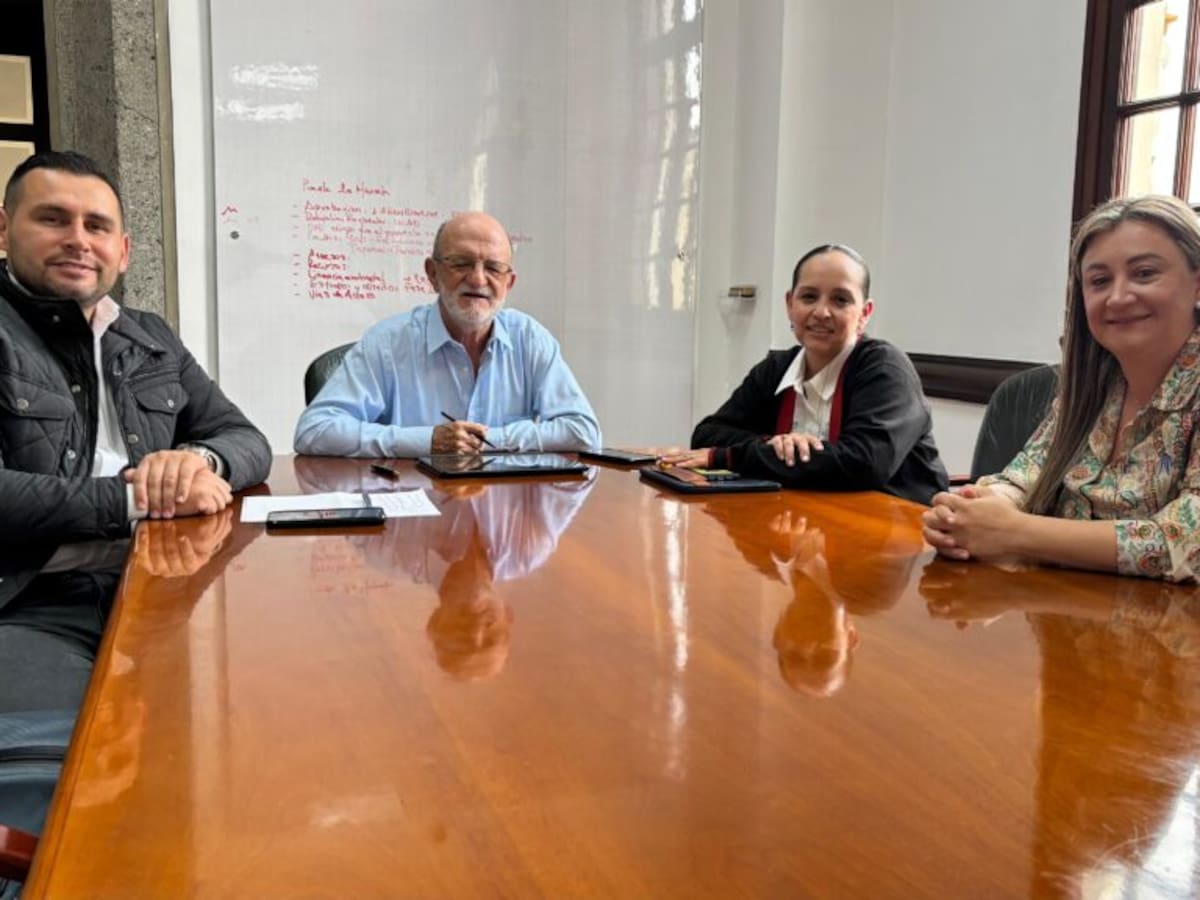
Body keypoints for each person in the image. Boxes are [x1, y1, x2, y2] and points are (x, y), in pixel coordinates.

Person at [0, 149, 271, 693]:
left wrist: (193, 461)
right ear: (4, 231)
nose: (78, 239)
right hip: (33, 601)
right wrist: (138, 499)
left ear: (122, 253)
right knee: (46, 771)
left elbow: (247, 440)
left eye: (97, 226)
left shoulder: (148, 337)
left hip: (162, 584)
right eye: (53, 219)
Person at [923, 194, 1200, 581]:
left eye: (1144, 273)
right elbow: (1022, 476)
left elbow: (1187, 541)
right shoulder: (1094, 387)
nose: (1118, 297)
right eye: (1099, 281)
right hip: (1062, 618)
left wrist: (1014, 532)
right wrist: (974, 509)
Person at [293, 211, 601, 457]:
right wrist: (427, 441)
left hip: (503, 514)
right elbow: (315, 431)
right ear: (432, 274)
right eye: (461, 263)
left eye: (494, 268)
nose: (478, 279)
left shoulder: (530, 339)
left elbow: (583, 431)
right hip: (413, 517)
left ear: (509, 283)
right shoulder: (387, 343)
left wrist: (489, 438)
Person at [663, 243, 947, 504]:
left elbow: (865, 464)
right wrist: (772, 444)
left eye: (840, 300)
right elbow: (706, 435)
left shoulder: (885, 369)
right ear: (790, 304)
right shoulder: (777, 368)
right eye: (809, 297)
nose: (822, 312)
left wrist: (733, 456)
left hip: (901, 534)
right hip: (810, 521)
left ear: (865, 313)